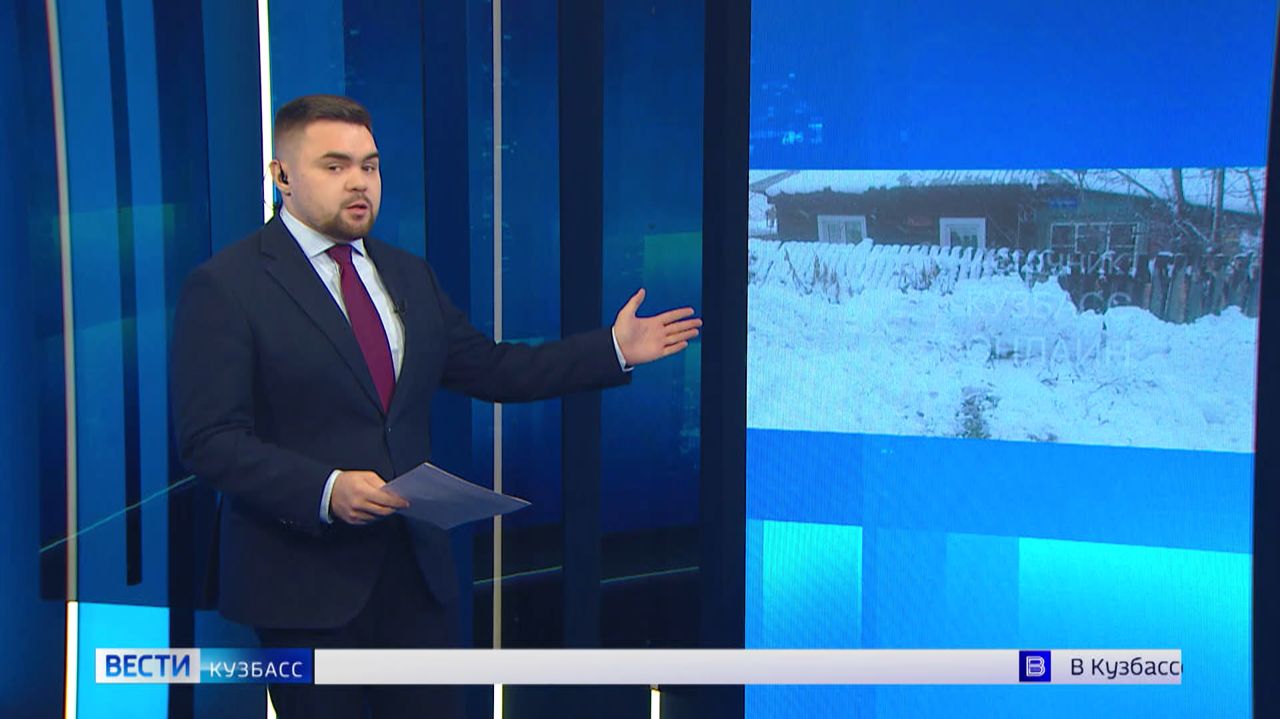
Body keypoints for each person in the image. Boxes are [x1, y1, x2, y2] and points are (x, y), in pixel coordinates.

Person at [169, 94, 700, 718]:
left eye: (369, 166)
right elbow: (210, 439)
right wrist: (327, 489)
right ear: (281, 175)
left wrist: (611, 349)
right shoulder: (228, 286)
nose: (359, 183)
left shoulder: (406, 274)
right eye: (335, 166)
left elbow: (493, 368)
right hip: (302, 585)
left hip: (415, 579)